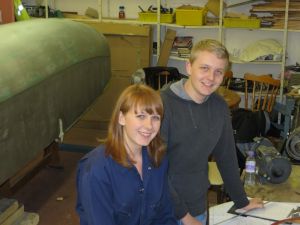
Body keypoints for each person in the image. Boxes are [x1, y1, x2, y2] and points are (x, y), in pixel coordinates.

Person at [160, 39, 264, 225]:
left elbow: (227, 157)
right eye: (204, 68)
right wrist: (183, 216)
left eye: (218, 72)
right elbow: (155, 168)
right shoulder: (162, 105)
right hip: (162, 209)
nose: (211, 77)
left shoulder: (218, 107)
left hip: (197, 204)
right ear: (189, 67)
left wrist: (242, 201)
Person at [76, 84, 177, 225]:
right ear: (121, 118)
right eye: (141, 116)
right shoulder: (96, 169)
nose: (149, 126)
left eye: (155, 118)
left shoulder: (158, 159)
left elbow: (165, 214)